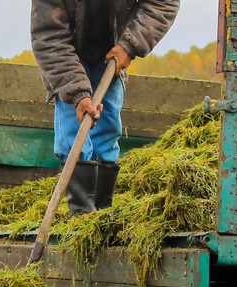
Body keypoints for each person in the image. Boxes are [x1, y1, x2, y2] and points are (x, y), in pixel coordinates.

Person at [31, 0, 180, 213]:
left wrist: (130, 45)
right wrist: (77, 94)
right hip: (68, 57)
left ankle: (101, 216)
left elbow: (163, 3)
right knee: (74, 136)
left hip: (112, 54)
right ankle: (82, 218)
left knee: (107, 132)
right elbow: (48, 36)